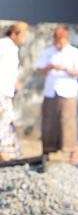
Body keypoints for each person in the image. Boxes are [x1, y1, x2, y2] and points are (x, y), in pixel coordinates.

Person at [37, 25, 78, 162]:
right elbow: (39, 69)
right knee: (48, 121)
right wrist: (49, 67)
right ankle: (47, 150)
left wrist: (65, 69)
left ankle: (71, 150)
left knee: (68, 120)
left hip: (68, 91)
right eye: (56, 39)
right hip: (51, 91)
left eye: (61, 40)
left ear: (66, 39)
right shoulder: (48, 52)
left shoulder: (75, 53)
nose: (58, 43)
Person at [0, 21, 29, 160]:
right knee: (4, 120)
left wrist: (15, 83)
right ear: (14, 34)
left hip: (6, 91)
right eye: (23, 34)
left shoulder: (12, 48)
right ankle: (6, 152)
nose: (25, 38)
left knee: (7, 120)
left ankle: (10, 152)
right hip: (1, 91)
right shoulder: (4, 45)